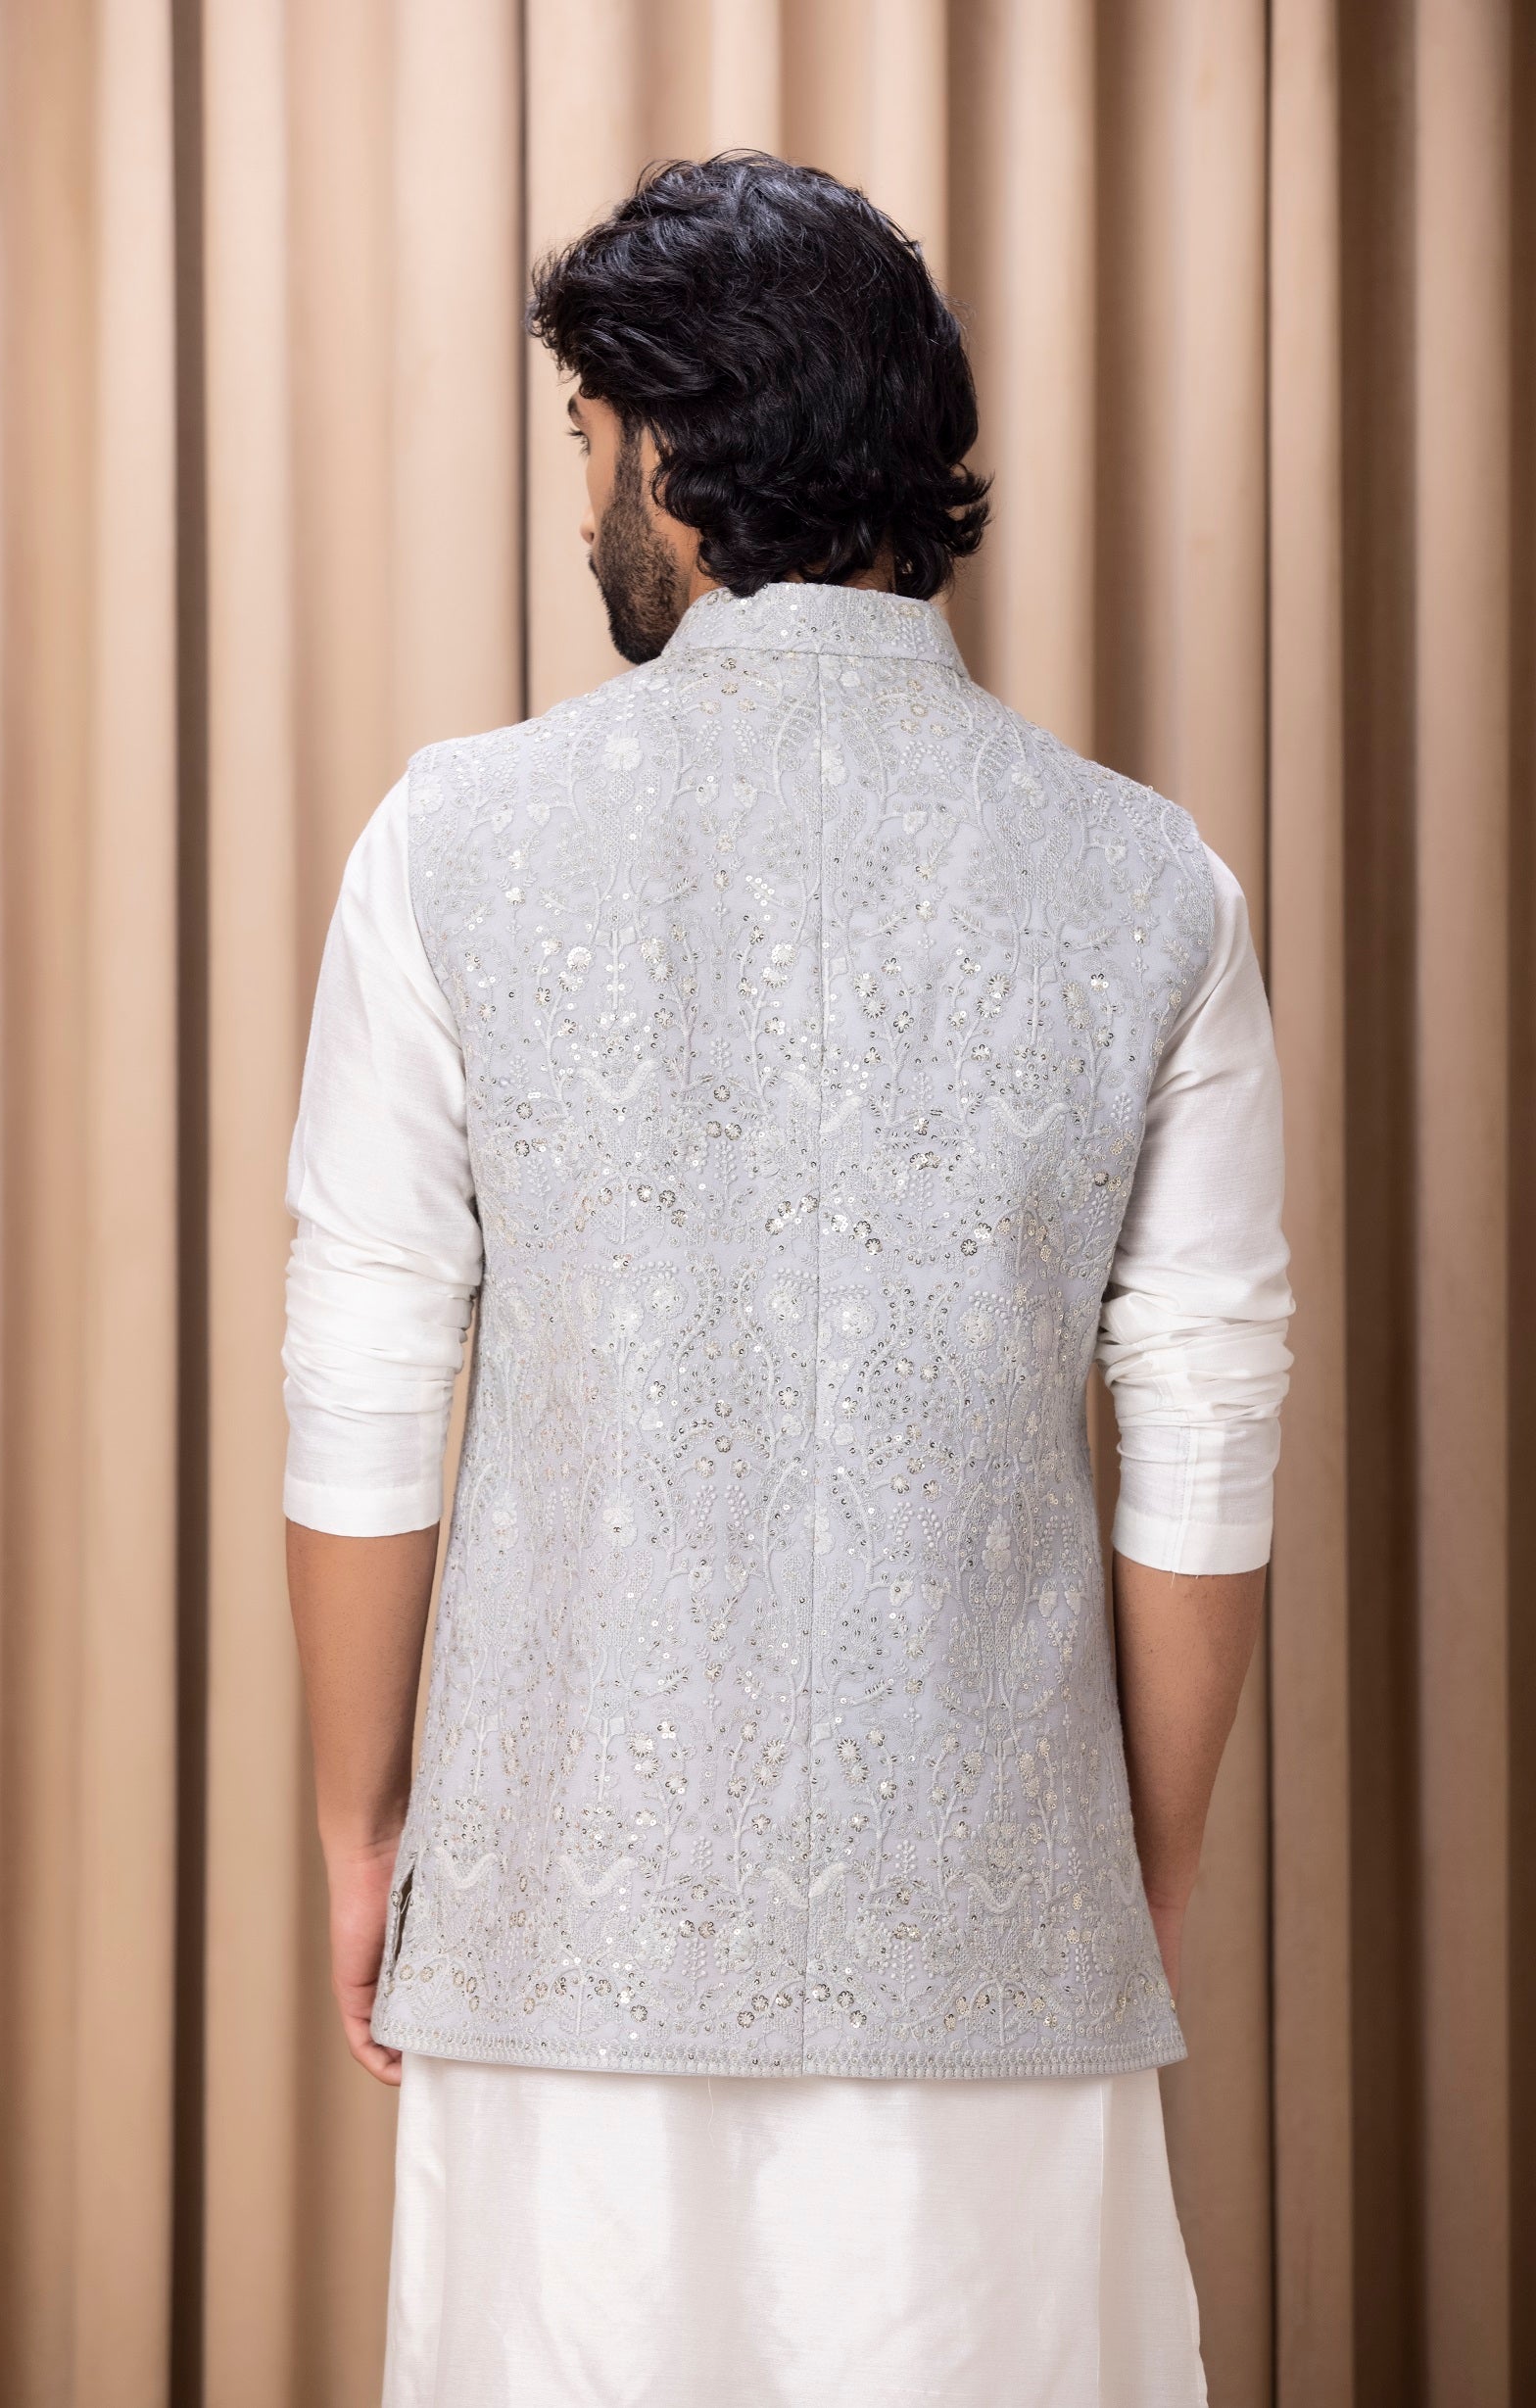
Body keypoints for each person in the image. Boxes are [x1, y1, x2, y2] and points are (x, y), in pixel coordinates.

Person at [282, 153, 1293, 2407]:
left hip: (557, 1918)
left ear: (664, 443)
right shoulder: (1156, 881)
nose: (583, 512)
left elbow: (362, 1376)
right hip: (999, 1932)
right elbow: (1207, 1434)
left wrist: (365, 1827)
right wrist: (1131, 1868)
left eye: (584, 445)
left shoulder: (449, 845)